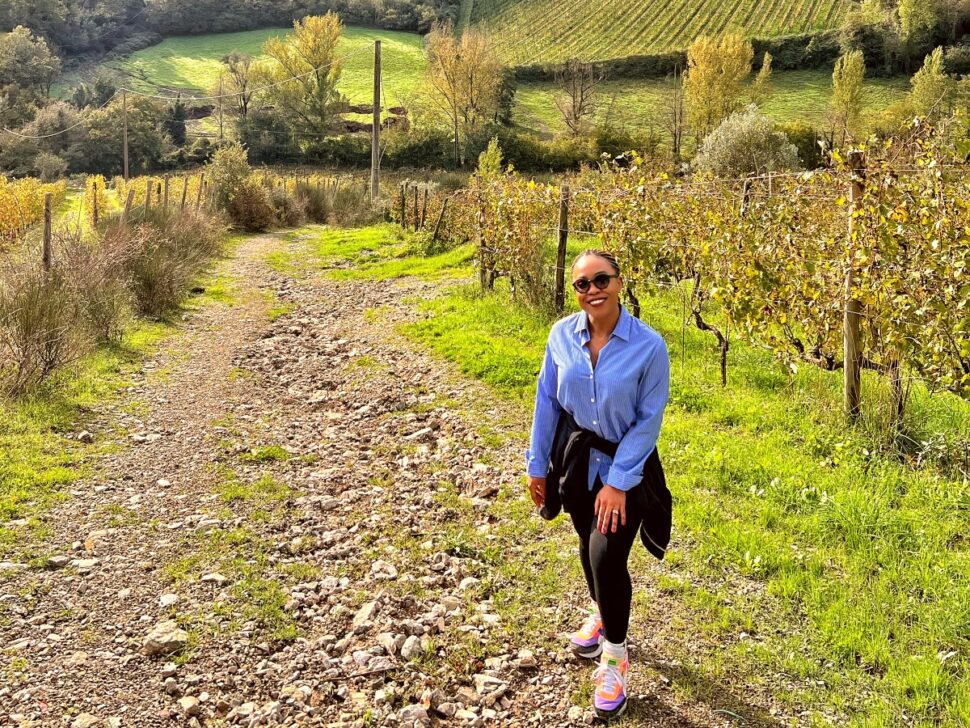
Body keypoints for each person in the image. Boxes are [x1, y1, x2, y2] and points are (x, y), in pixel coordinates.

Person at [526, 250, 671, 721]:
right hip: (574, 462)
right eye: (582, 284)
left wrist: (618, 482)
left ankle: (615, 655)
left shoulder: (649, 346)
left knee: (607, 555)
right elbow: (547, 400)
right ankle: (601, 611)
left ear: (619, 282)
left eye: (601, 279)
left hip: (625, 469)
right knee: (587, 547)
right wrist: (536, 464)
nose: (593, 290)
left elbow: (649, 422)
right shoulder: (560, 335)